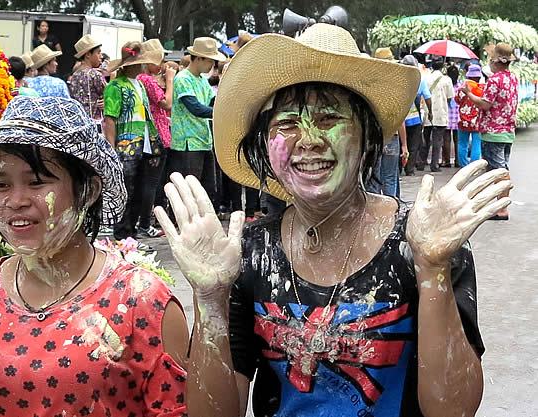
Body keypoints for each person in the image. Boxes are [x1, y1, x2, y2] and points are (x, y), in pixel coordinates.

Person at [155, 23, 512, 417]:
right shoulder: (247, 255)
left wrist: (432, 269)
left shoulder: (423, 241)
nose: (307, 140)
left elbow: (454, 411)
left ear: (367, 138)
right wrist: (209, 300)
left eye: (328, 119)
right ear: (265, 143)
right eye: (287, 124)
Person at [0, 96, 189, 417]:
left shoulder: (141, 301)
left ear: (87, 191)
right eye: (1, 183)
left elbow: (178, 407)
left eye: (36, 181)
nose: (15, 200)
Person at [103, 42, 164, 241]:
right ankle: (123, 235)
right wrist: (110, 149)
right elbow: (110, 119)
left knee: (139, 192)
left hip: (144, 145)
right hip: (125, 146)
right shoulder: (115, 86)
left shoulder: (139, 85)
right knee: (127, 193)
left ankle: (132, 235)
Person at [462, 42, 518, 221]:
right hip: (507, 130)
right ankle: (500, 205)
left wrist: (469, 94)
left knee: (497, 170)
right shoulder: (512, 78)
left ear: (495, 61)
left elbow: (485, 104)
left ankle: (501, 208)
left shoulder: (495, 80)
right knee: (501, 167)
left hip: (494, 131)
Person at [169, 37, 226, 205]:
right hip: (187, 142)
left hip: (202, 140)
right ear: (199, 58)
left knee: (206, 190)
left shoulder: (201, 80)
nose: (212, 66)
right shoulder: (183, 79)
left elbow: (211, 103)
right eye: (211, 61)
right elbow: (196, 108)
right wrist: (221, 113)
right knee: (188, 190)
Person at [136, 39, 177, 237]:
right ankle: (145, 223)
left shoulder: (139, 79)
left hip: (145, 136)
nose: (162, 64)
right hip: (156, 136)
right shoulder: (147, 80)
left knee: (145, 181)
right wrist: (170, 79)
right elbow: (167, 104)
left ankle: (141, 221)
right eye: (160, 59)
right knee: (151, 182)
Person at [370, 47, 408, 198]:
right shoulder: (394, 87)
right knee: (390, 179)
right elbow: (399, 120)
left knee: (374, 180)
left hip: (374, 138)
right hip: (391, 138)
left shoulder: (369, 86)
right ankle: (391, 213)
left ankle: (375, 214)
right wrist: (404, 145)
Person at [400, 55, 432, 177]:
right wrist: (430, 111)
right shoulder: (419, 80)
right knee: (413, 145)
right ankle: (410, 169)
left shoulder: (397, 79)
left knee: (401, 143)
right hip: (414, 118)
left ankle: (399, 167)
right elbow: (428, 98)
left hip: (399, 119)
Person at [420, 58, 454, 172]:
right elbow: (450, 98)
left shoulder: (426, 78)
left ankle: (421, 163)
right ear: (442, 66)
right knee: (437, 141)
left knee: (425, 139)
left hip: (427, 113)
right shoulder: (447, 80)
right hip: (440, 113)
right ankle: (434, 165)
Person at [68, 34, 106, 130]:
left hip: (77, 123)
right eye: (98, 52)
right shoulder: (94, 74)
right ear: (88, 54)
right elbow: (109, 95)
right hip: (94, 124)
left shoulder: (74, 76)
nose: (101, 56)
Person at [455, 64, 484, 167]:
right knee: (477, 143)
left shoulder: (461, 88)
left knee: (462, 143)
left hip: (463, 120)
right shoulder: (482, 89)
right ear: (479, 77)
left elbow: (457, 100)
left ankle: (463, 165)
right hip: (477, 120)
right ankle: (474, 166)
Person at [444, 63, 460, 168]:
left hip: (446, 115)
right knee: (457, 140)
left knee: (446, 139)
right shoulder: (461, 86)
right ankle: (458, 160)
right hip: (458, 116)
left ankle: (447, 161)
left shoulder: (445, 86)